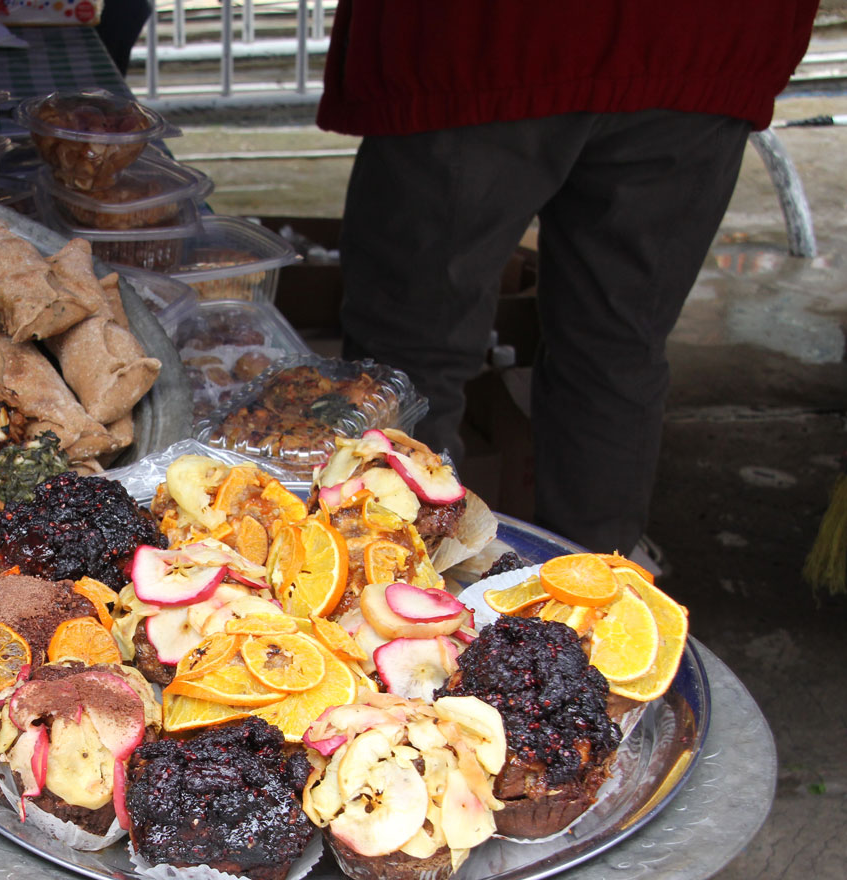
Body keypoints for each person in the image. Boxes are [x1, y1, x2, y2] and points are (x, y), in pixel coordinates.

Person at [318, 3, 818, 557]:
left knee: (407, 366)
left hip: (487, 41)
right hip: (702, 39)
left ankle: (397, 587)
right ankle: (591, 590)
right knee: (616, 350)